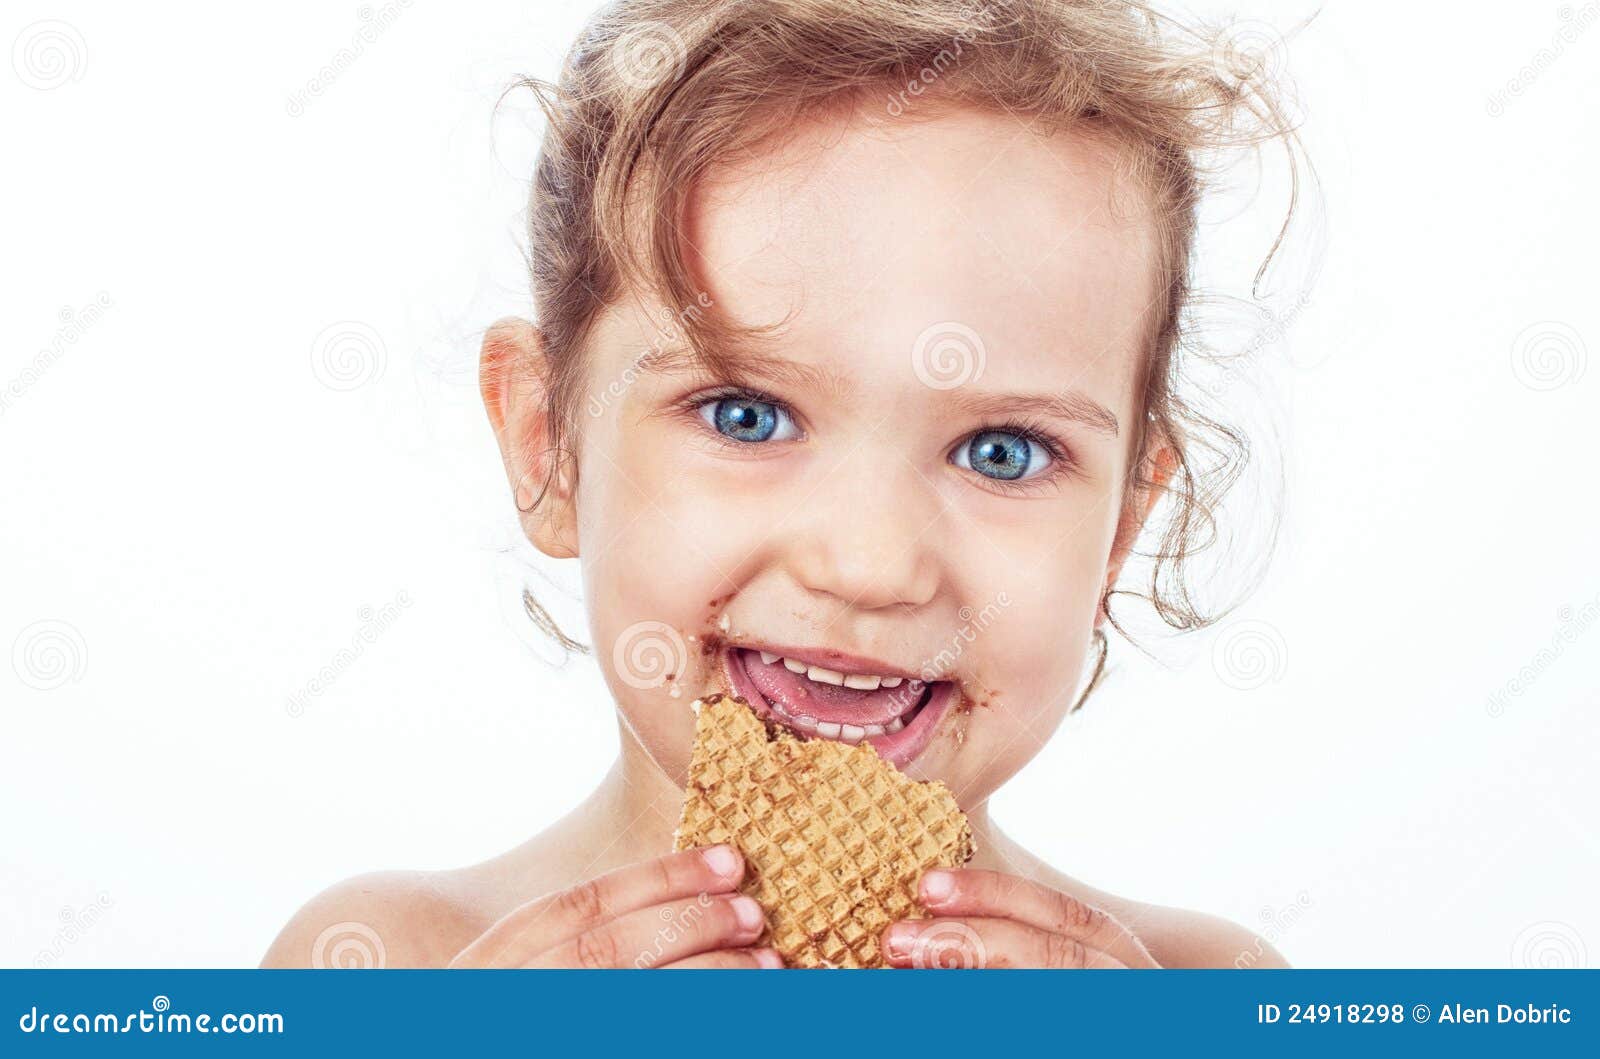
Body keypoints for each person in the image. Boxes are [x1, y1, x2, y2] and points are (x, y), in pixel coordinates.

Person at [265, 0, 1302, 969]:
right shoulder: (390, 965)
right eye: (744, 416)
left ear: (1123, 523)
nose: (867, 565)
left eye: (1001, 452)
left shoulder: (1197, 989)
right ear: (549, 446)